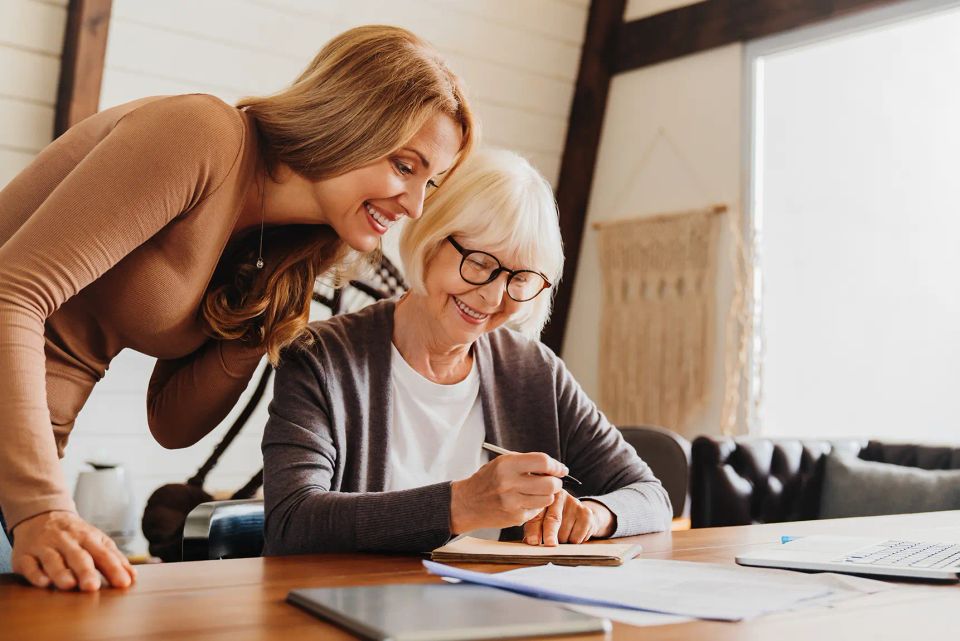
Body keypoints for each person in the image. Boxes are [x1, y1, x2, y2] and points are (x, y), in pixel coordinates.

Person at [0, 25, 475, 591]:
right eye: (405, 166)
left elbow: (172, 424)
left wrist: (265, 316)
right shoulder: (204, 134)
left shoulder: (283, 249)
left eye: (431, 182)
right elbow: (12, 292)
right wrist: (42, 508)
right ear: (349, 123)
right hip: (26, 488)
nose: (416, 204)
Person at [262, 149, 672, 555]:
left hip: (497, 613)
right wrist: (461, 505)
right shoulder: (321, 359)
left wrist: (592, 514)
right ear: (432, 239)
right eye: (479, 263)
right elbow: (292, 521)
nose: (493, 296)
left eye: (520, 278)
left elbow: (651, 496)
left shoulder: (533, 372)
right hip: (349, 611)